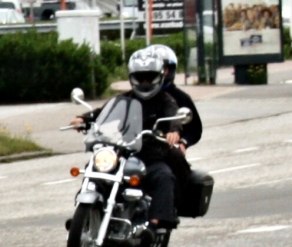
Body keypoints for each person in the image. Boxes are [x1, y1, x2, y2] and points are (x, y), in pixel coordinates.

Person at [72, 49, 188, 231]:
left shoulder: (166, 100)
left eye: (148, 77)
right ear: (132, 77)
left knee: (163, 176)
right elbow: (105, 112)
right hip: (125, 151)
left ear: (158, 77)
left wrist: (174, 131)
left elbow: (173, 117)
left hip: (152, 155)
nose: (144, 82)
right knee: (94, 168)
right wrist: (85, 119)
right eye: (140, 78)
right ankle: (83, 215)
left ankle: (154, 225)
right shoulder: (124, 99)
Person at [147, 44, 202, 147]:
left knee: (178, 160)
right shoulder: (134, 97)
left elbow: (194, 130)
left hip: (168, 148)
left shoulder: (180, 97)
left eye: (164, 69)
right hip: (139, 147)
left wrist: (183, 142)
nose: (162, 72)